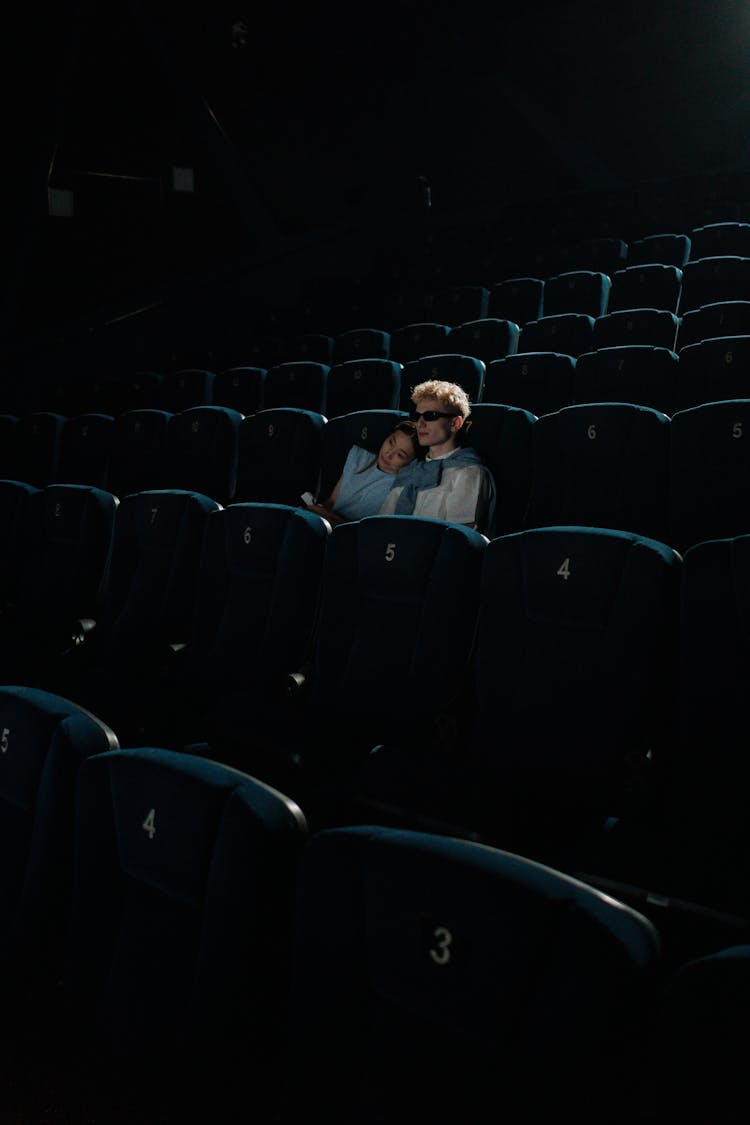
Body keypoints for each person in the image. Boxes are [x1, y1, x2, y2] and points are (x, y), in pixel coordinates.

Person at [379, 379, 495, 532]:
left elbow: (459, 538)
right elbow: (381, 526)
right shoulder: (409, 472)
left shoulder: (469, 473)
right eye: (417, 416)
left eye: (430, 415)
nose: (420, 424)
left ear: (455, 423)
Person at [304, 420, 421, 526]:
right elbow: (331, 502)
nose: (388, 454)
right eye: (391, 442)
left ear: (411, 462)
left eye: (400, 455)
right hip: (323, 523)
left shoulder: (401, 489)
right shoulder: (359, 457)